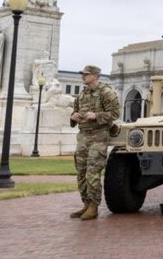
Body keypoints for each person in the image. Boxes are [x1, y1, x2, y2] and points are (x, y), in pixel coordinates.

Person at [69, 65, 120, 221]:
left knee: (93, 171)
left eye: (86, 74)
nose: (83, 77)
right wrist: (73, 117)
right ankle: (86, 203)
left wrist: (96, 115)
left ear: (96, 76)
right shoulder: (82, 94)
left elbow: (115, 114)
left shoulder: (106, 92)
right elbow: (74, 112)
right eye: (82, 74)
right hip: (83, 136)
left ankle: (93, 206)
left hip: (99, 136)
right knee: (81, 172)